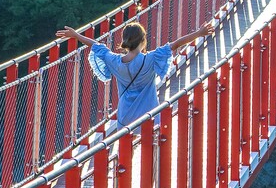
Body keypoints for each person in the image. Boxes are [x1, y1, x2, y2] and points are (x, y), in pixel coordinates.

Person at [55, 19, 216, 129]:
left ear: (125, 40)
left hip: (125, 117)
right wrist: (199, 33)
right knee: (152, 154)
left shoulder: (115, 62)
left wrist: (76, 35)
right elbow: (176, 44)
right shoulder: (151, 59)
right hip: (149, 116)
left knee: (125, 156)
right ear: (143, 40)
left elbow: (97, 46)